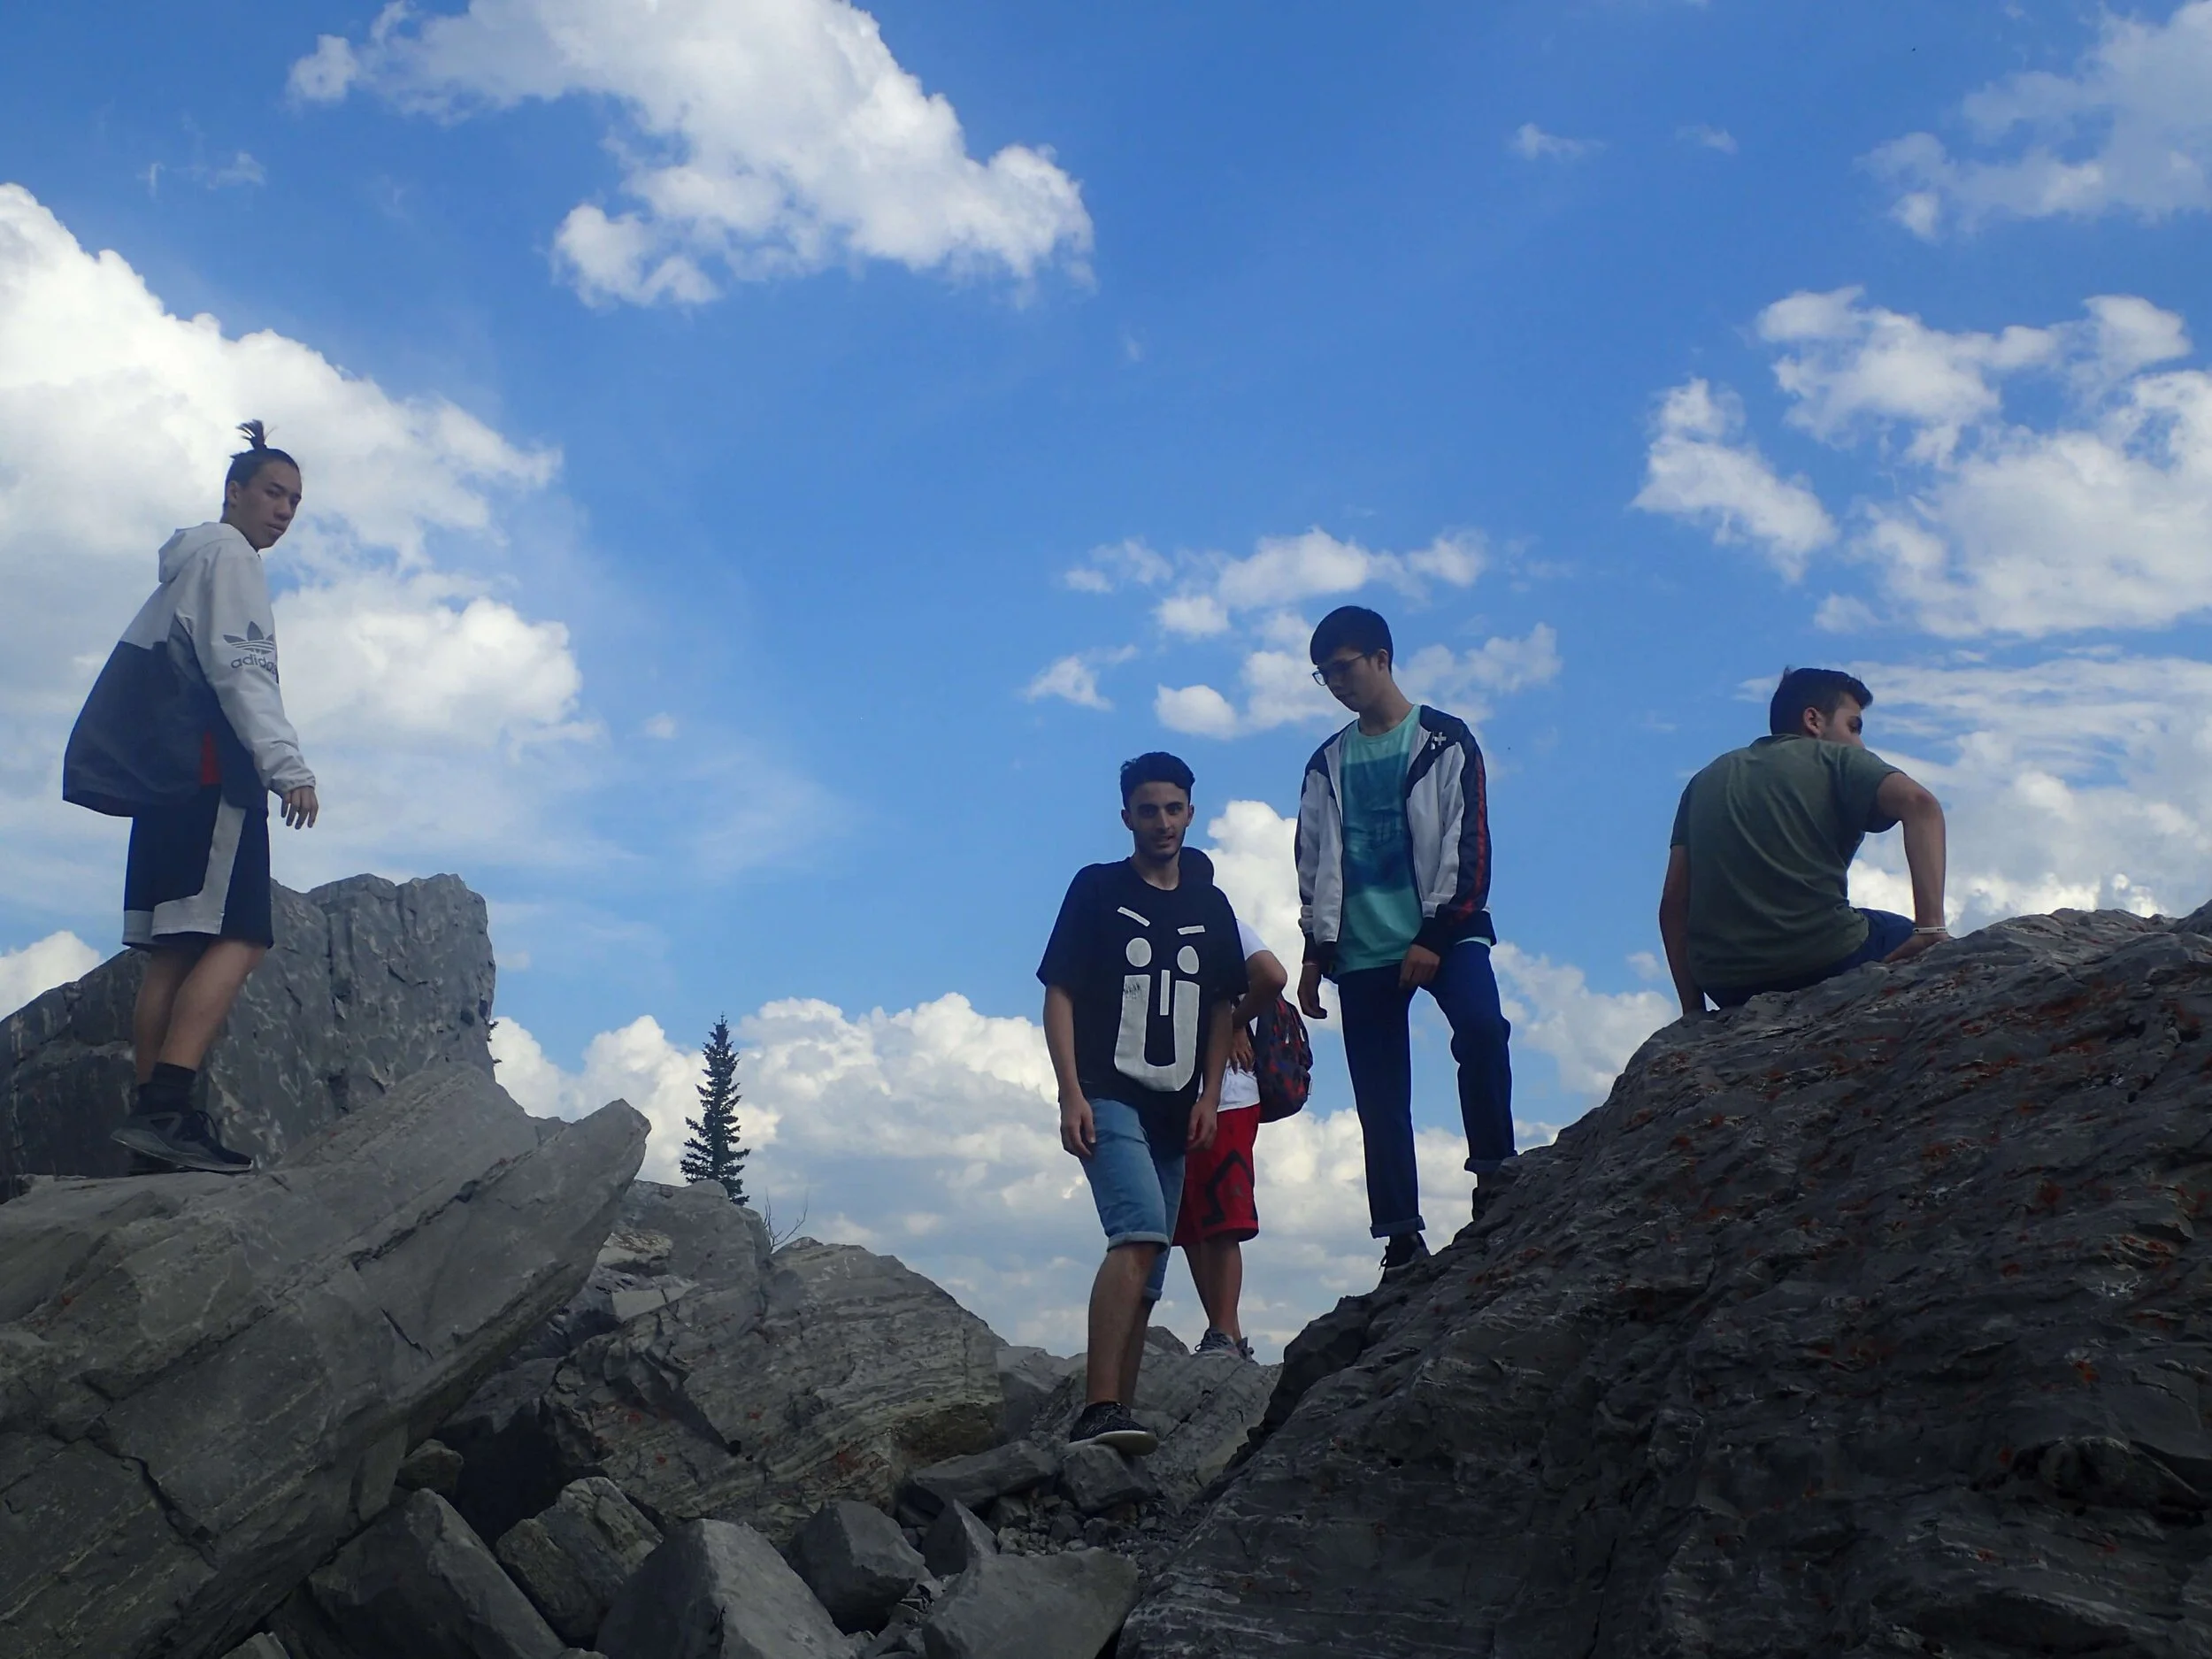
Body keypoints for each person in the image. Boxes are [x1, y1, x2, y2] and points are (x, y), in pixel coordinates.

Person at [63, 421, 321, 1174]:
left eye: (295, 501)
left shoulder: (183, 567)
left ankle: (152, 1126)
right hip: (214, 776)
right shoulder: (231, 558)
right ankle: (170, 1109)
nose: (284, 510)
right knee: (242, 936)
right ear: (234, 492)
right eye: (273, 492)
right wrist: (287, 766)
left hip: (165, 782)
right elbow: (243, 670)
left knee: (173, 947)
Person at [1294, 605, 1513, 1282]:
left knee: (1482, 1028)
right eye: (1324, 674)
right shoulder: (1327, 762)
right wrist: (1313, 950)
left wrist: (1436, 931)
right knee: (1379, 1099)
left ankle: (1496, 1178)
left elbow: (1468, 841)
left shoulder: (1445, 741)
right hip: (1359, 948)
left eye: (1344, 667)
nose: (1335, 682)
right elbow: (1310, 859)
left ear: (1382, 659)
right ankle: (1399, 1236)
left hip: (1445, 930)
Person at [1041, 752, 1246, 1453]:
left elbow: (1222, 1003)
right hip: (1108, 1090)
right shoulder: (1096, 890)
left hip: (1175, 1107)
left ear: (1192, 810)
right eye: (1148, 808)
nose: (1162, 821)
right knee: (1137, 1232)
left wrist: (1211, 1095)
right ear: (1125, 814)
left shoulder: (1210, 905)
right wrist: (1070, 1090)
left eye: (1174, 807)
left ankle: (1118, 1411)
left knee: (1152, 1267)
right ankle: (1097, 1407)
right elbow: (1059, 990)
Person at [1659, 667, 1948, 1016]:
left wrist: (1693, 1014)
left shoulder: (1705, 780)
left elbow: (1674, 903)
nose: (1860, 743)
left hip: (1728, 983)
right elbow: (1921, 805)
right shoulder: (1839, 760)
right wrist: (1930, 927)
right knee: (1911, 938)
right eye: (1853, 727)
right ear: (1813, 719)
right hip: (1825, 959)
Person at [1174, 911, 1287, 1361]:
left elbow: (1272, 976)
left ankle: (1223, 1331)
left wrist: (1233, 1023)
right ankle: (1228, 1335)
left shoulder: (1218, 920)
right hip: (1186, 1095)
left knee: (1218, 1221)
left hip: (1226, 1095)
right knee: (1197, 1222)